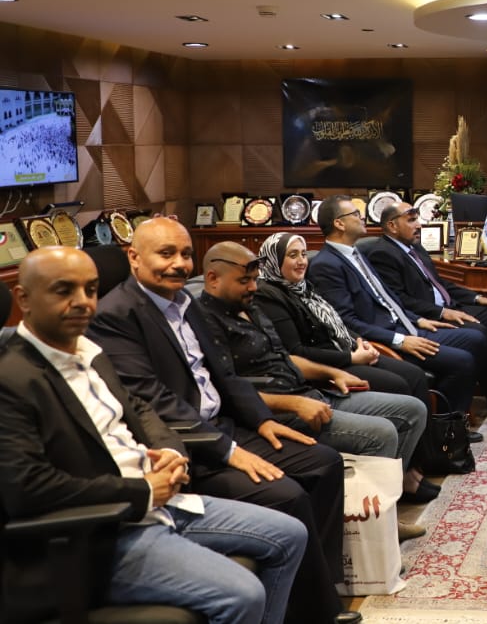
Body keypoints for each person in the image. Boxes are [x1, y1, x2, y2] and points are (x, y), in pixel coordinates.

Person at [0, 247, 306, 624]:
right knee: (243, 594)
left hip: (159, 502)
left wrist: (170, 451)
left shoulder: (88, 350)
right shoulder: (11, 378)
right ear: (23, 298)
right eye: (64, 291)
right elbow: (28, 488)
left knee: (290, 534)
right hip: (99, 533)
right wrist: (143, 490)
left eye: (91, 289)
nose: (83, 302)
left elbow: (139, 408)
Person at [86, 218, 359, 624]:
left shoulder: (185, 301)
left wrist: (262, 419)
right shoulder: (116, 315)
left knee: (323, 462)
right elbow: (152, 400)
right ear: (134, 257)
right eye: (166, 254)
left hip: (227, 425)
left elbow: (225, 375)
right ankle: (314, 611)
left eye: (185, 254)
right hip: (186, 445)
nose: (179, 264)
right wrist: (228, 451)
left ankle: (316, 591)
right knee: (286, 494)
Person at [198, 241, 436, 523]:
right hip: (278, 411)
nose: (253, 286)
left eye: (254, 279)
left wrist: (331, 373)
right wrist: (295, 403)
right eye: (244, 281)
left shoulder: (251, 306)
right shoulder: (205, 321)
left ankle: (382, 511)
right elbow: (226, 390)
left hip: (310, 391)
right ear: (213, 278)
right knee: (382, 433)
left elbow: (287, 357)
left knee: (413, 410)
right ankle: (367, 526)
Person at [253, 231, 449, 438]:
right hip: (326, 366)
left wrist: (361, 342)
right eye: (293, 255)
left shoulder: (302, 286)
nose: (302, 261)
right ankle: (412, 454)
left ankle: (429, 450)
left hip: (348, 352)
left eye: (303, 254)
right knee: (398, 384)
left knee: (415, 375)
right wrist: (352, 357)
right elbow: (297, 351)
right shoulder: (268, 295)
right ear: (274, 260)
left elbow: (337, 324)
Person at [363, 201, 487, 422]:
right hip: (427, 317)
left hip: (450, 306)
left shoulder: (414, 247)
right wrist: (442, 313)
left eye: (417, 219)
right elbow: (399, 300)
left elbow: (440, 284)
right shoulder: (382, 254)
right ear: (392, 225)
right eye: (411, 220)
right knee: (479, 331)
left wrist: (477, 298)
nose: (419, 225)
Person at [305, 195, 478, 417]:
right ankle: (445, 423)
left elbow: (386, 298)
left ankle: (451, 417)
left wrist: (417, 319)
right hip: (384, 339)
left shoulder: (356, 253)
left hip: (405, 324)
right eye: (356, 214)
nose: (362, 217)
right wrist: (400, 340)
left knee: (475, 338)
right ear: (339, 223)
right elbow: (346, 322)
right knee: (463, 361)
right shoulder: (326, 265)